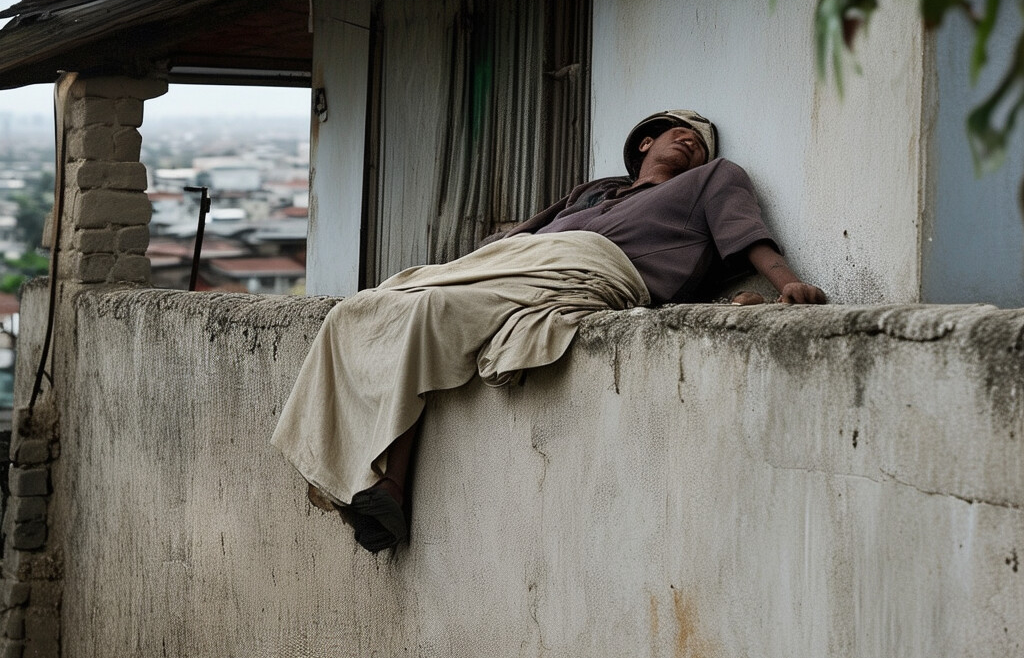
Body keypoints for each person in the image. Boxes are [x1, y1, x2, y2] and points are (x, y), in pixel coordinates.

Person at [271, 110, 826, 552]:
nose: (690, 144)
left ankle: (389, 482)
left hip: (594, 267)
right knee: (358, 310)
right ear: (644, 145)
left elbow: (746, 232)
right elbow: (515, 238)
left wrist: (787, 283)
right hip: (518, 262)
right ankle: (359, 480)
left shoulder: (714, 180)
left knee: (430, 311)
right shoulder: (593, 192)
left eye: (699, 144)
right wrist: (466, 266)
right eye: (678, 134)